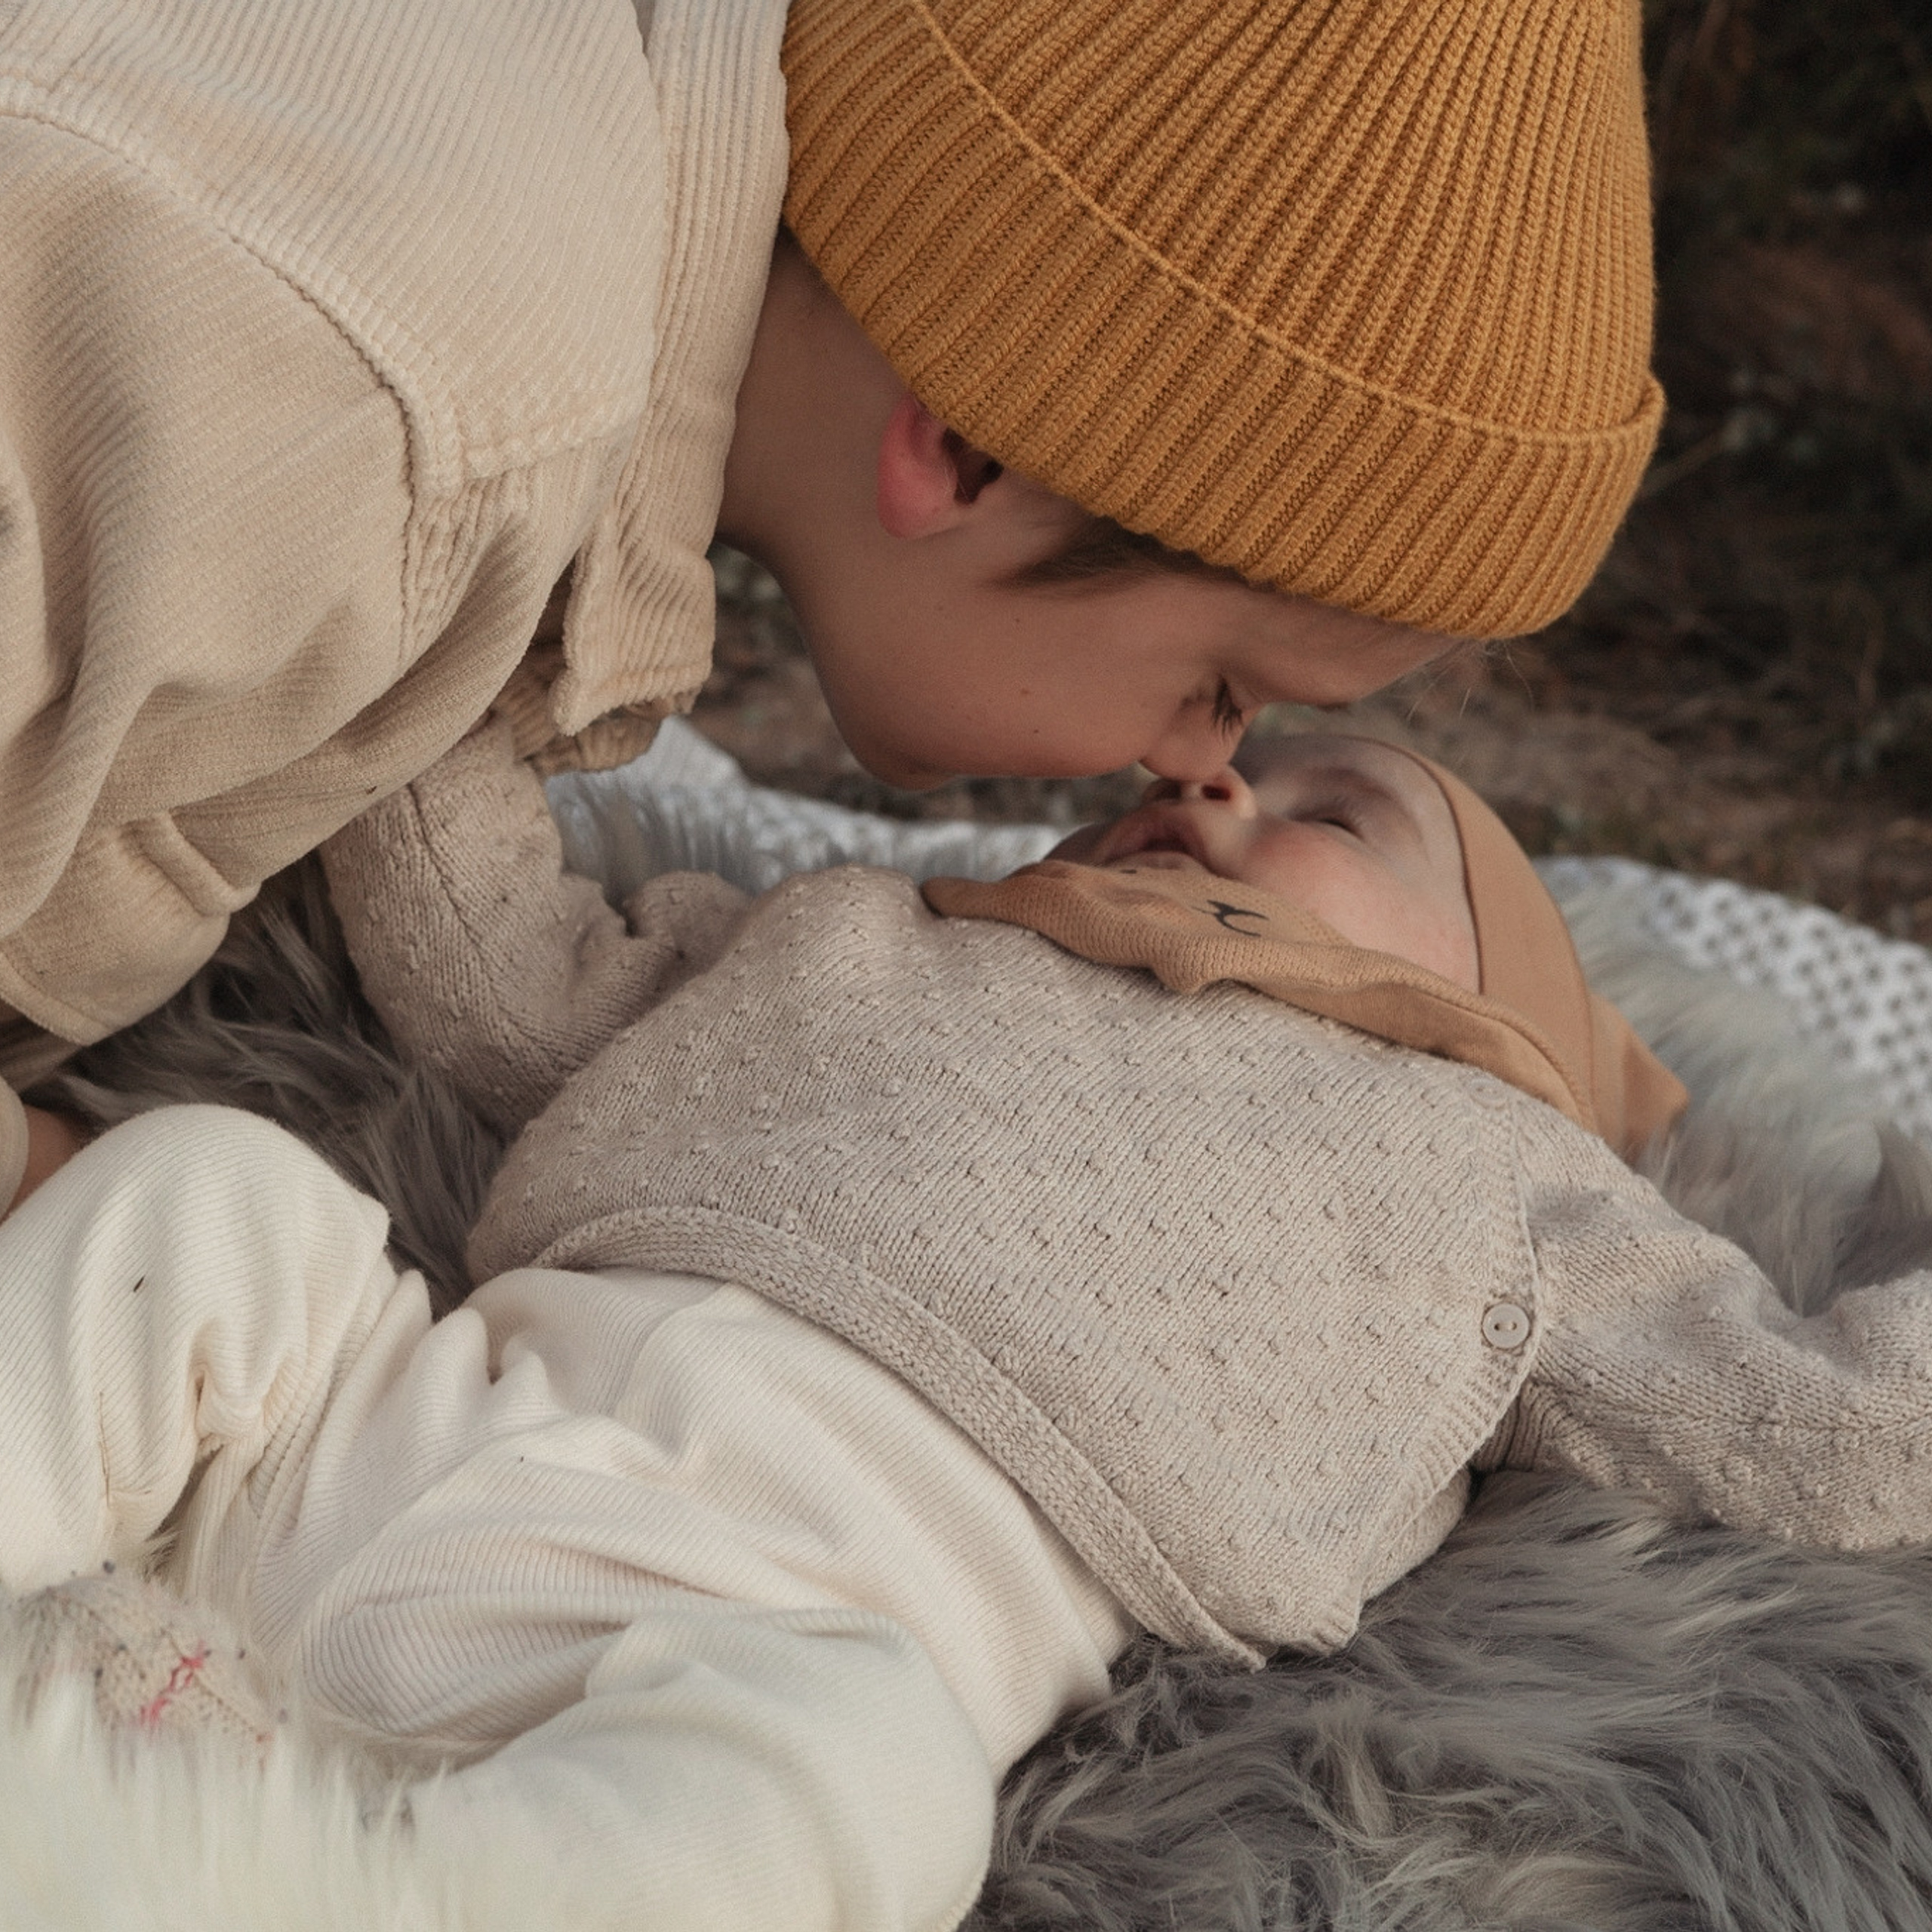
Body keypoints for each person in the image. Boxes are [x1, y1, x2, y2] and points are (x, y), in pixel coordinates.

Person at [11, 718, 1932, 1932]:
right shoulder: (869, 930)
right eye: (1191, 762)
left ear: (1508, 1008)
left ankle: (410, 1893)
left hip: (742, 1634)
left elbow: (1824, 1421)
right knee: (208, 1196)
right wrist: (475, 672)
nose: (1208, 775)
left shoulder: (1515, 1186)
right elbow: (493, 967)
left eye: (1333, 802)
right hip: (409, 1402)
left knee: (869, 1776)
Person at [0, 0, 1663, 1173]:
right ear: (967, 454)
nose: (1189, 762)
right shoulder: (372, 418)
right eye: (1222, 683)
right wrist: (78, 1200)